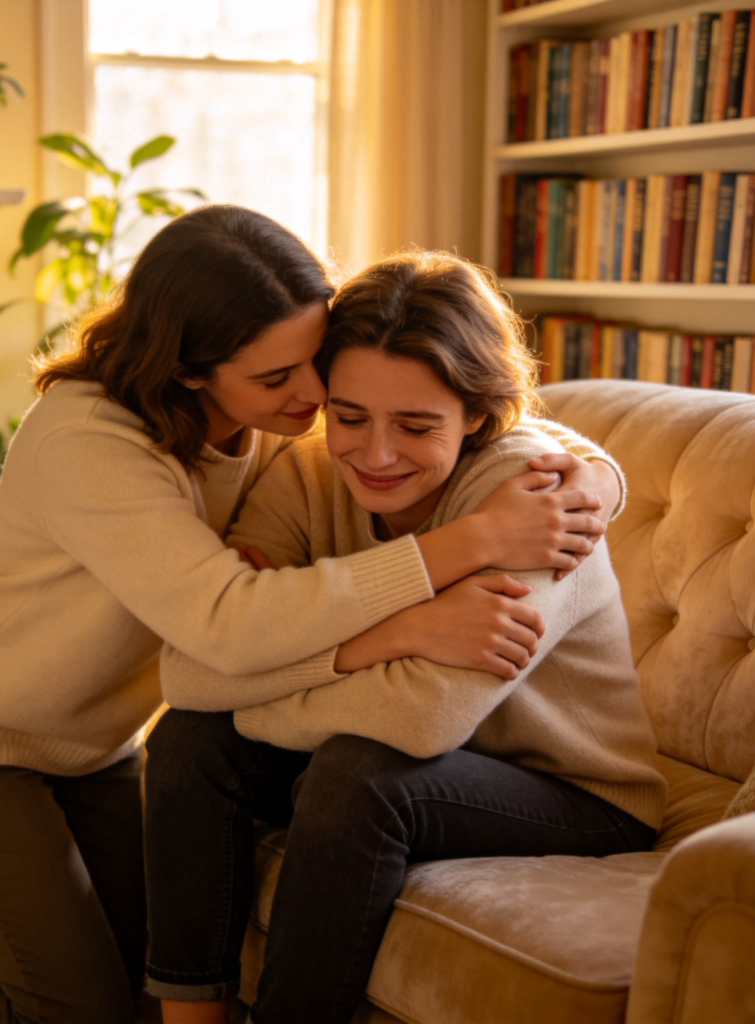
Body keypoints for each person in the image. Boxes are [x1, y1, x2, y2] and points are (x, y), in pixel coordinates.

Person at [0, 208, 621, 1024]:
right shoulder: (90, 443)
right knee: (74, 1013)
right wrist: (428, 590)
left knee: (148, 992)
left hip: (91, 741)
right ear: (189, 368)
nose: (316, 398)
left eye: (315, 360)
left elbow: (490, 427)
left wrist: (595, 473)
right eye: (280, 377)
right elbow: (223, 631)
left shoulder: (280, 421)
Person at [143, 248, 667, 1024]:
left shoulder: (534, 499)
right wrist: (395, 634)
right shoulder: (309, 473)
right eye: (350, 415)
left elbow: (423, 720)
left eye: (417, 426)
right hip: (391, 755)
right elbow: (189, 674)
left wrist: (268, 681)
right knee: (190, 741)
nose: (375, 455)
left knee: (360, 774)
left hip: (570, 791)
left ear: (479, 418)